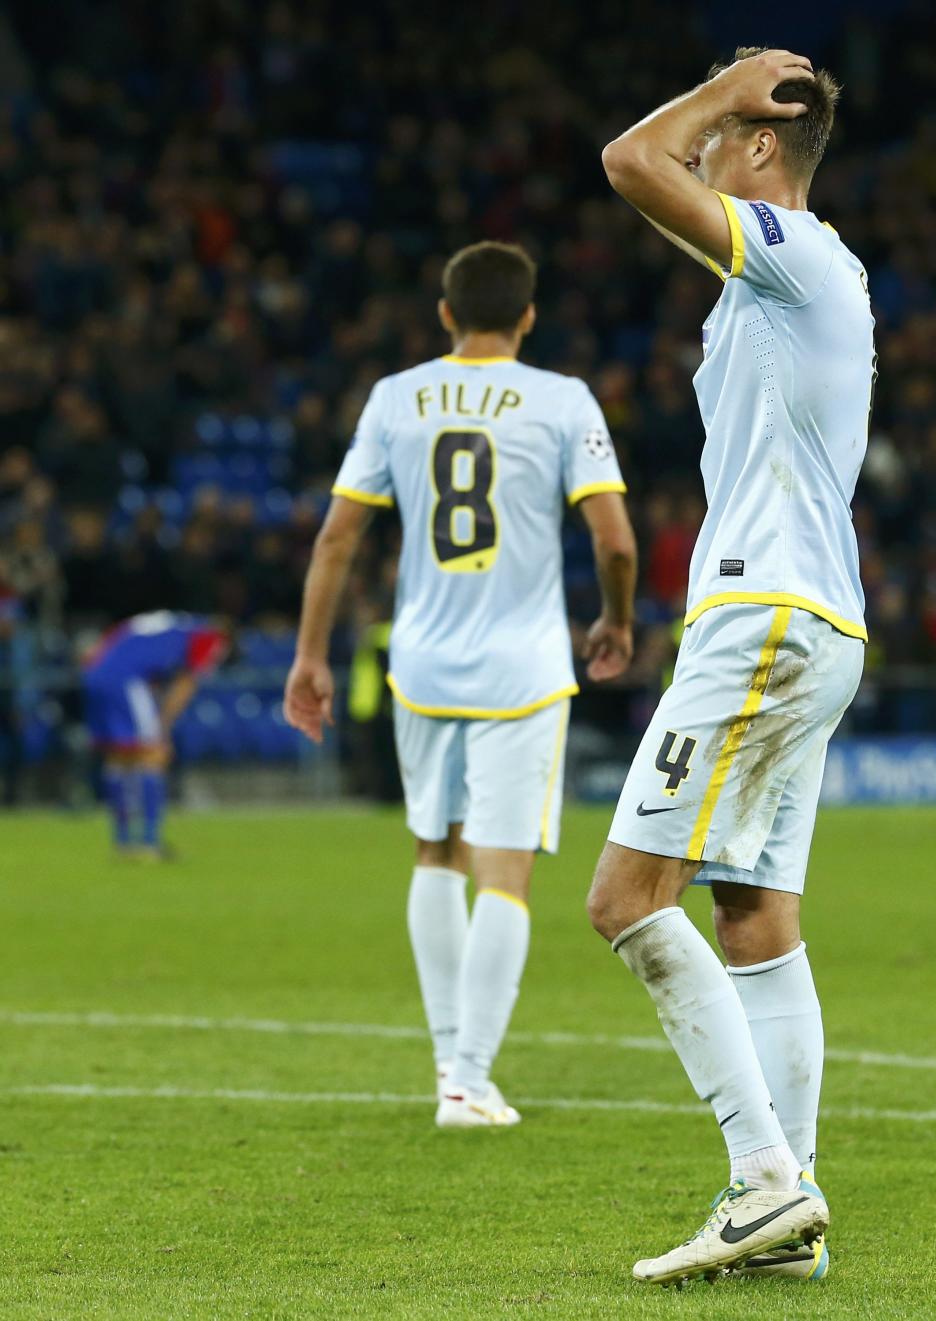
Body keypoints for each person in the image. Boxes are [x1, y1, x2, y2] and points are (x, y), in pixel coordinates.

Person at [590, 48, 874, 1284]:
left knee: (622, 897)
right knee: (754, 916)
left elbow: (627, 161)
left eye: (727, 136)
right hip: (813, 618)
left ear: (763, 150)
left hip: (762, 618)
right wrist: (731, 98)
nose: (703, 151)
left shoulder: (793, 250)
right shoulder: (800, 276)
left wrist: (731, 86)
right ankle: (785, 1214)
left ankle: (764, 1178)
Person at [285, 241, 637, 1126]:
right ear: (527, 316)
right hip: (521, 668)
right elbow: (617, 539)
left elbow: (336, 540)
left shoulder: (395, 398)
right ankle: (468, 1080)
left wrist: (310, 654)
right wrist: (618, 619)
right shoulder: (562, 400)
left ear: (445, 313)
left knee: (434, 850)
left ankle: (449, 1063)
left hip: (425, 662)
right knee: (505, 872)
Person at [83, 611, 231, 858]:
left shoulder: (166, 622)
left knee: (119, 758)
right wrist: (162, 727)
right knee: (153, 754)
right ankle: (149, 842)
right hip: (126, 680)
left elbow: (102, 645)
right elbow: (186, 684)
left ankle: (123, 842)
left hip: (96, 674)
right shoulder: (207, 636)